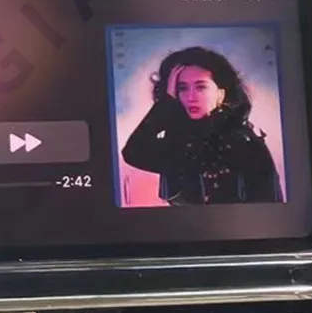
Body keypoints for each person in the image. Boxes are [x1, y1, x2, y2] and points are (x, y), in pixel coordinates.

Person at [120, 46, 282, 205]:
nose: (191, 97)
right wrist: (167, 102)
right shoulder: (178, 144)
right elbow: (133, 152)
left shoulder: (246, 144)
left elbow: (270, 207)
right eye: (182, 88)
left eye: (200, 87)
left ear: (221, 94)